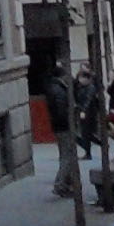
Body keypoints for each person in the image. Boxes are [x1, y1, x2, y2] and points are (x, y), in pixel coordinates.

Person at [46, 63, 89, 202]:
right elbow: (60, 111)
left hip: (60, 126)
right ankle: (60, 184)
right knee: (68, 156)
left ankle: (67, 184)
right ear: (62, 76)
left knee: (65, 154)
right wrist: (70, 117)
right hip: (64, 127)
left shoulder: (55, 87)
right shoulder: (58, 90)